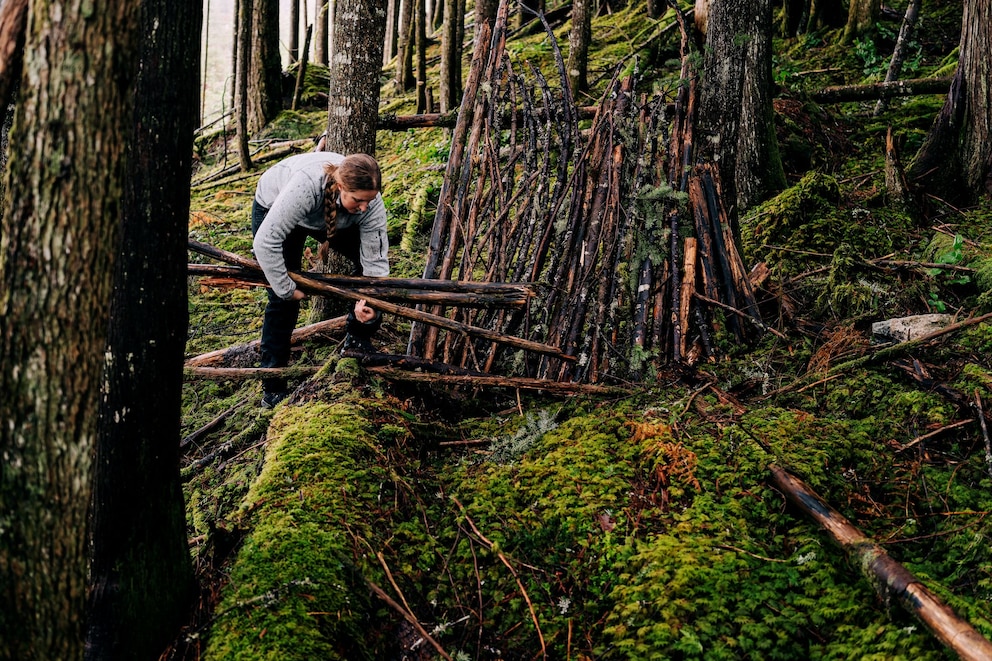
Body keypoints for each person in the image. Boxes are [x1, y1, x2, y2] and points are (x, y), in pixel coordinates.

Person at [251, 151, 389, 408]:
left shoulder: (368, 205)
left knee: (367, 285)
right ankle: (273, 388)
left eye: (368, 201)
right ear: (340, 187)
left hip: (331, 217)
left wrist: (370, 303)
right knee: (282, 303)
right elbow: (265, 242)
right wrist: (285, 289)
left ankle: (356, 343)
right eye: (359, 200)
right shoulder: (305, 187)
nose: (364, 208)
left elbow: (375, 265)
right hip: (275, 206)